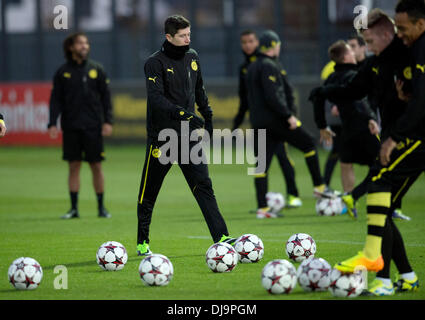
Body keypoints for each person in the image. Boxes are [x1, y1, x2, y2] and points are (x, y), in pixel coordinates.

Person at [312, 6, 421, 295]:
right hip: (399, 135)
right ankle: (405, 275)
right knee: (381, 205)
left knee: (379, 188)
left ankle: (380, 272)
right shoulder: (379, 62)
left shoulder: (412, 53)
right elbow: (354, 89)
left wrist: (394, 136)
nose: (365, 48)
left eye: (369, 42)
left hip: (414, 137)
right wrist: (324, 93)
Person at [136, 15, 236, 256]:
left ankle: (222, 236)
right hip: (163, 136)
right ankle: (142, 241)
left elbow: (199, 89)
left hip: (189, 137)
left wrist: (208, 116)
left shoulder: (193, 57)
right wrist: (184, 114)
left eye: (189, 34)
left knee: (204, 185)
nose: (187, 39)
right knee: (149, 193)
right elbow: (157, 99)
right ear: (168, 37)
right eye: (182, 36)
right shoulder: (154, 63)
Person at [246, 30, 330, 219]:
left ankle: (263, 209)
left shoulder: (252, 67)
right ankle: (319, 186)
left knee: (261, 166)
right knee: (309, 143)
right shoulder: (269, 65)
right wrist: (288, 116)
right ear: (274, 46)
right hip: (276, 120)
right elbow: (273, 96)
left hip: (258, 122)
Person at [232, 30, 302, 211]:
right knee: (260, 162)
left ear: (258, 43)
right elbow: (244, 99)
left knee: (283, 156)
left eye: (251, 41)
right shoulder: (244, 68)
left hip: (277, 120)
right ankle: (262, 205)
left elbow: (285, 92)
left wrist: (289, 114)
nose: (247, 45)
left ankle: (293, 195)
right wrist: (237, 123)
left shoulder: (270, 62)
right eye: (244, 42)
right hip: (260, 122)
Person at [48, 32, 114, 219]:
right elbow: (55, 101)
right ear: (71, 47)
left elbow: (106, 99)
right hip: (71, 126)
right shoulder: (62, 72)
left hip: (93, 126)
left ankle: (101, 208)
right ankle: (74, 208)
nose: (84, 46)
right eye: (80, 43)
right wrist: (52, 123)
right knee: (74, 166)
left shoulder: (96, 69)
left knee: (96, 166)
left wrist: (108, 121)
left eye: (86, 43)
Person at [312, 40, 381, 219]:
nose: (353, 54)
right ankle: (354, 196)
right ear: (345, 57)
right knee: (384, 165)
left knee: (345, 165)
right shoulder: (353, 75)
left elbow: (318, 99)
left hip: (346, 128)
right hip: (363, 127)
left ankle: (350, 204)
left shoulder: (331, 78)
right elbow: (359, 100)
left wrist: (321, 126)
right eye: (350, 52)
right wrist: (371, 119)